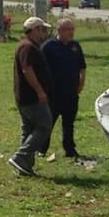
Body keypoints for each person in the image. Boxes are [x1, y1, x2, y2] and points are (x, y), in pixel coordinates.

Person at [9, 16, 54, 177]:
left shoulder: (30, 46)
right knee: (44, 126)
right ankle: (21, 157)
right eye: (43, 30)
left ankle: (24, 166)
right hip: (32, 98)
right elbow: (27, 70)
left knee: (28, 130)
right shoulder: (28, 47)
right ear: (35, 30)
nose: (45, 33)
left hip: (25, 97)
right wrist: (40, 91)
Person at [41, 18, 87, 159]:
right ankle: (41, 148)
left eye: (72, 29)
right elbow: (40, 68)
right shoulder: (49, 46)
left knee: (69, 123)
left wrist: (81, 84)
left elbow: (82, 67)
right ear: (59, 30)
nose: (71, 32)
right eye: (68, 29)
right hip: (53, 93)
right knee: (48, 122)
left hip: (71, 92)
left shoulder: (75, 46)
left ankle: (70, 150)